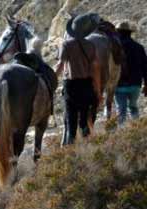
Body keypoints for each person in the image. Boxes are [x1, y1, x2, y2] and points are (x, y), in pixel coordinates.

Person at [55, 13, 102, 145]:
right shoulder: (91, 46)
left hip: (71, 85)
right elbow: (96, 69)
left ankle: (71, 153)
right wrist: (98, 91)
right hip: (87, 84)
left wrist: (51, 80)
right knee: (84, 120)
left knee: (71, 121)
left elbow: (60, 65)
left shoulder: (66, 45)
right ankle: (87, 149)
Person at [114, 20, 147, 125]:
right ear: (130, 33)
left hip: (119, 84)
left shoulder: (114, 48)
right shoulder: (139, 47)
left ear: (118, 32)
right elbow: (145, 67)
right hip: (135, 84)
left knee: (121, 111)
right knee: (133, 108)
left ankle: (122, 135)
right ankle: (136, 129)